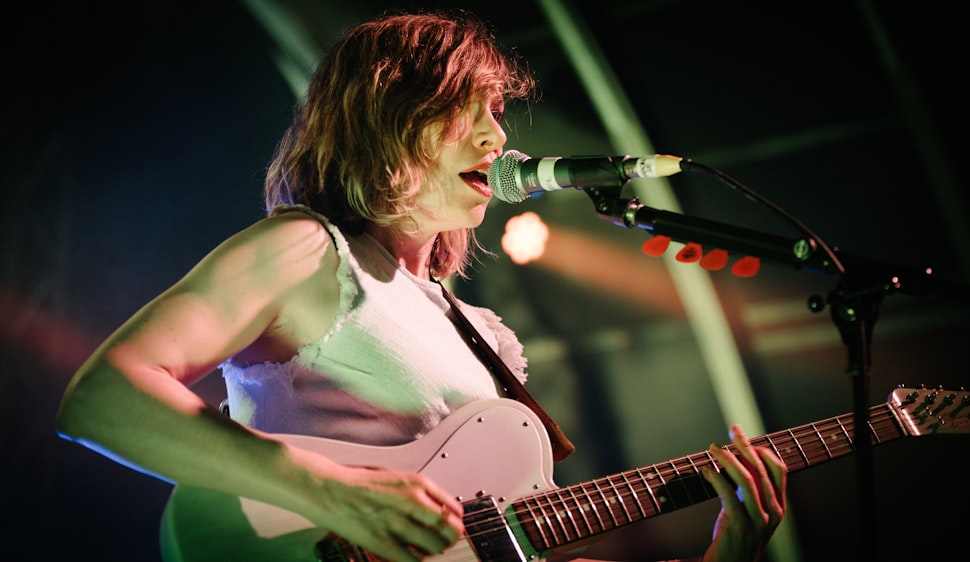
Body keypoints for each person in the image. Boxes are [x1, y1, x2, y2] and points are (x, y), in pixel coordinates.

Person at [56, 9, 787, 562]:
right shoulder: (309, 250)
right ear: (387, 115)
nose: (497, 136)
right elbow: (103, 396)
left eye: (498, 113)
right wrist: (329, 490)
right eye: (467, 106)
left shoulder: (481, 333)